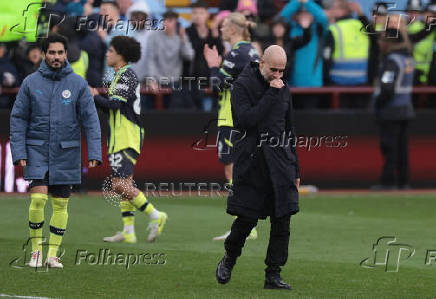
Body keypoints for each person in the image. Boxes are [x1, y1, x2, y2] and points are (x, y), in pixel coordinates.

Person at [10, 33, 102, 268]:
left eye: (60, 52)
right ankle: (35, 252)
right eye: (52, 52)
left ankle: (52, 254)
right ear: (43, 54)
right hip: (37, 149)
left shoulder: (78, 83)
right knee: (38, 199)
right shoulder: (31, 83)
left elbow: (91, 119)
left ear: (65, 54)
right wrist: (19, 151)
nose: (56, 57)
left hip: (67, 151)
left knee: (61, 204)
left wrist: (94, 153)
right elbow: (18, 118)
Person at [215, 45, 300, 290]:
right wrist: (272, 94)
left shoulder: (285, 88)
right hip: (252, 163)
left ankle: (273, 275)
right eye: (273, 69)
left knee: (282, 221)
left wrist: (296, 169)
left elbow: (289, 130)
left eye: (282, 71)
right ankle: (229, 259)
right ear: (261, 62)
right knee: (246, 220)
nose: (278, 76)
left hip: (280, 164)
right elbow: (245, 121)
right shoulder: (242, 86)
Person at [90, 36, 168, 243]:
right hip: (120, 135)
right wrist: (98, 98)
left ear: (121, 54)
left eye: (111, 50)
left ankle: (155, 215)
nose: (107, 53)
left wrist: (94, 96)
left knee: (118, 185)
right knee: (125, 183)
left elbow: (114, 106)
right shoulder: (119, 75)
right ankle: (129, 231)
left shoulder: (126, 76)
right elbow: (114, 109)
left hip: (126, 136)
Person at [203, 12, 260, 241]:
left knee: (232, 169)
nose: (220, 29)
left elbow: (217, 85)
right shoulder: (252, 51)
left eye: (224, 25)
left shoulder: (236, 53)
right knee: (241, 169)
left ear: (234, 29)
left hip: (232, 117)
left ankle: (245, 225)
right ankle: (247, 223)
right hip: (245, 117)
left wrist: (213, 66)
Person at [371, 17, 415, 191]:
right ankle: (403, 182)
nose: (380, 43)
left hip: (392, 110)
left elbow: (387, 88)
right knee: (403, 149)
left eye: (382, 40)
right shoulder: (407, 59)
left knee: (390, 148)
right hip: (406, 109)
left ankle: (388, 182)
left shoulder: (391, 61)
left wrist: (378, 105)